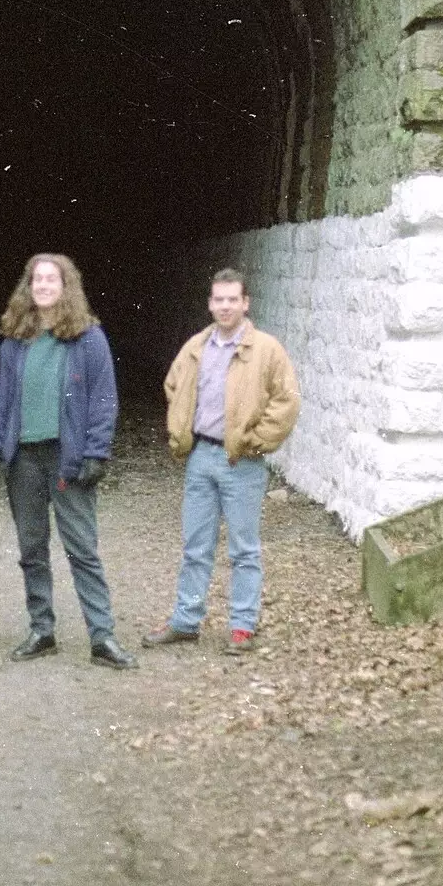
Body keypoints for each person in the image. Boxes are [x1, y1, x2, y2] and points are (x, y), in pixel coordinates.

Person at [0, 253, 137, 670]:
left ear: (68, 287)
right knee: (32, 548)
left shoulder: (88, 338)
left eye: (53, 279)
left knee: (82, 549)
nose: (44, 286)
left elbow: (104, 401)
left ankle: (102, 637)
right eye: (37, 279)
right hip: (23, 460)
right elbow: (0, 399)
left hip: (67, 460)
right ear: (28, 288)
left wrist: (96, 452)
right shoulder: (15, 341)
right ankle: (41, 629)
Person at [144, 268, 300, 656]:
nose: (225, 306)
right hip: (201, 456)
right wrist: (182, 428)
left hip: (241, 462)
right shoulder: (197, 346)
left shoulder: (266, 349)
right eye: (219, 299)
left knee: (244, 549)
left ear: (245, 303)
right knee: (196, 545)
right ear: (210, 303)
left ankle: (242, 626)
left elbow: (287, 401)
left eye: (233, 299)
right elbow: (173, 385)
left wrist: (257, 442)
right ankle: (185, 620)